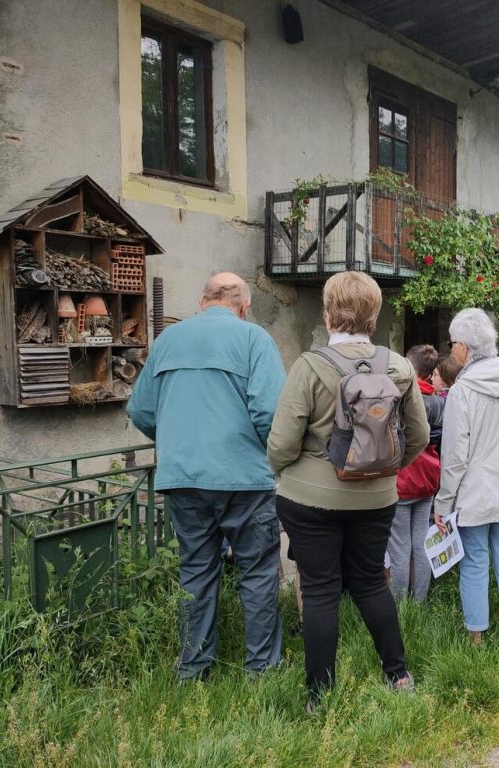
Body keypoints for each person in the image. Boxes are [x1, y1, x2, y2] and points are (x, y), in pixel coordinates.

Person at [266, 271, 429, 707]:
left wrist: (284, 471)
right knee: (371, 582)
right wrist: (385, 471)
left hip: (310, 498)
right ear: (374, 315)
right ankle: (398, 675)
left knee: (319, 590)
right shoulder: (399, 367)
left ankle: (319, 695)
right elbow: (418, 435)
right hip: (377, 498)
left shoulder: (309, 365)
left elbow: (281, 442)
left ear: (327, 312)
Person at [126, 271, 286, 682]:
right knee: (257, 572)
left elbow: (141, 410)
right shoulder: (254, 340)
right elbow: (270, 414)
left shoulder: (167, 341)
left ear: (202, 301)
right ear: (244, 306)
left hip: (183, 476)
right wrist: (276, 459)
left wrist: (178, 441)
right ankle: (262, 672)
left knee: (196, 571)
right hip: (244, 479)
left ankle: (194, 669)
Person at [434, 309, 499, 643]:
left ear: (464, 347)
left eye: (453, 344)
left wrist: (443, 502)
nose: (452, 350)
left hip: (473, 493)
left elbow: (454, 457)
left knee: (475, 563)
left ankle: (476, 638)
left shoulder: (461, 391)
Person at [388, 344, 444, 602]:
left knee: (400, 546)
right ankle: (419, 600)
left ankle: (400, 605)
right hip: (429, 479)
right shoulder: (437, 400)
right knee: (421, 542)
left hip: (404, 479)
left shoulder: (401, 397)